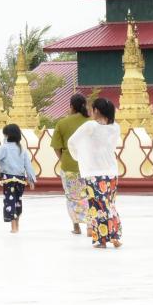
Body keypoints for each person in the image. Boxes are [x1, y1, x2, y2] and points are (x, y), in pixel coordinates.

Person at [68, 97, 123, 249]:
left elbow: (72, 142)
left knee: (97, 207)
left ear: (96, 110)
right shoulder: (115, 127)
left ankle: (102, 240)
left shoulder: (90, 126)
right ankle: (115, 235)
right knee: (109, 204)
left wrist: (79, 157)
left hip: (93, 172)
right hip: (111, 171)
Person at [0, 123, 37, 233]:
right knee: (18, 200)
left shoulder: (4, 148)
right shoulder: (22, 149)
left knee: (10, 200)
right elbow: (28, 165)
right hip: (20, 180)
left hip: (8, 179)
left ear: (7, 135)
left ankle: (14, 227)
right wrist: (31, 180)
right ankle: (17, 225)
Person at [49, 93, 93, 234]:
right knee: (90, 195)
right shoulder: (91, 123)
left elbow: (56, 146)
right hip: (90, 166)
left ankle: (76, 226)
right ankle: (90, 226)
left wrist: (63, 159)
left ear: (71, 106)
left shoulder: (62, 123)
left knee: (72, 196)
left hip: (69, 165)